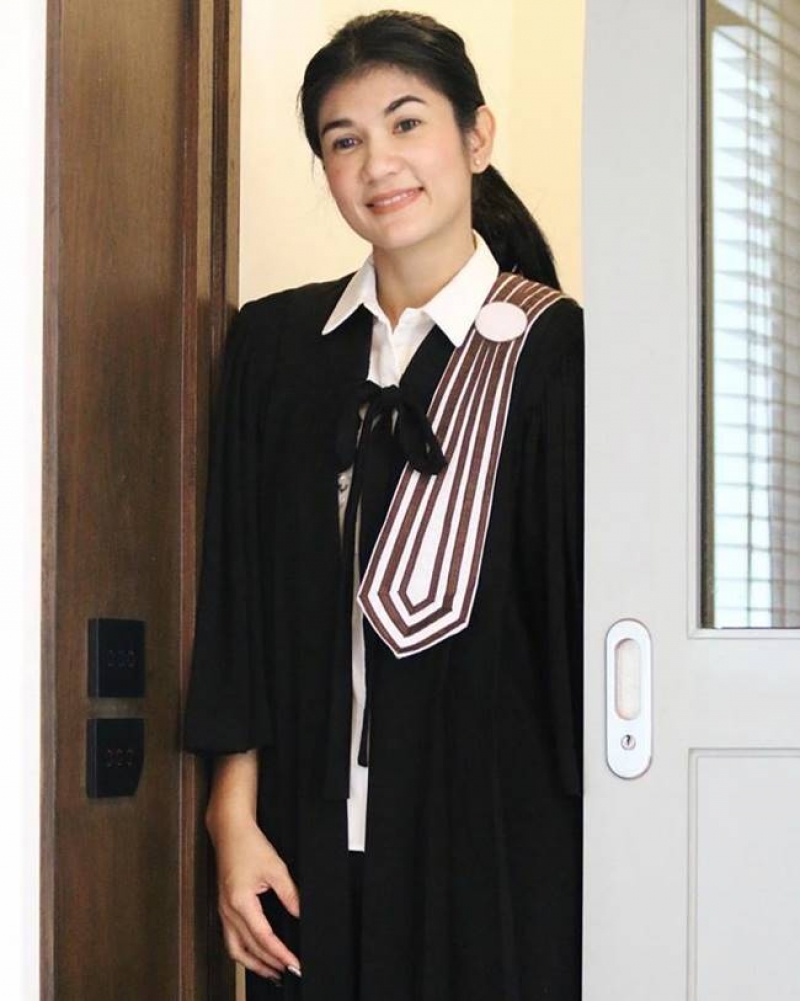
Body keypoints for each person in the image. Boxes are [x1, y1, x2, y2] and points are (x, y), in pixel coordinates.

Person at [183, 10, 584, 1001]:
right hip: (306, 845)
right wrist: (232, 820)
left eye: (406, 123)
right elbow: (238, 592)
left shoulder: (554, 351)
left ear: (475, 136)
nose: (377, 163)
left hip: (496, 849)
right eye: (344, 139)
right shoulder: (277, 347)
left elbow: (576, 632)